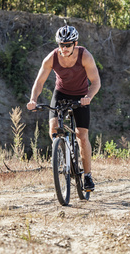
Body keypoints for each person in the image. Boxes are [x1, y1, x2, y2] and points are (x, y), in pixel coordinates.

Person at [27, 25, 101, 191]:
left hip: (81, 96)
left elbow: (96, 82)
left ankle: (87, 176)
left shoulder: (85, 56)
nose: (65, 48)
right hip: (61, 93)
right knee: (53, 128)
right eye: (61, 44)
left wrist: (88, 97)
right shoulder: (51, 58)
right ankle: (60, 154)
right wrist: (33, 99)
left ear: (75, 43)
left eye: (68, 44)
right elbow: (39, 82)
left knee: (82, 135)